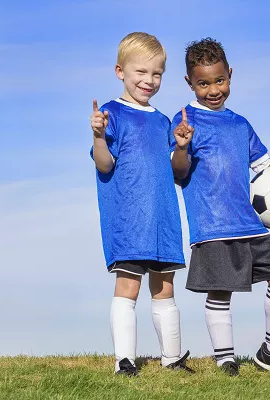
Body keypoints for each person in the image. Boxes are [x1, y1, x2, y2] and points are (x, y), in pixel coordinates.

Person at [170, 38, 270, 376]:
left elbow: (265, 166)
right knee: (221, 292)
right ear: (189, 83)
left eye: (219, 80)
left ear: (230, 75)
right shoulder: (185, 123)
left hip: (249, 223)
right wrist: (181, 146)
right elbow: (179, 173)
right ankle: (225, 360)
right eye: (203, 83)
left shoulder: (240, 124)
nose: (212, 89)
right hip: (213, 225)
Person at [90, 32, 192, 376]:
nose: (149, 81)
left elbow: (179, 173)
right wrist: (99, 136)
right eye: (141, 73)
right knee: (129, 285)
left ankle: (173, 359)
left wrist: (179, 147)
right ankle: (125, 362)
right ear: (120, 71)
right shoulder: (110, 113)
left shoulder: (163, 120)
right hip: (129, 218)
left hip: (163, 217)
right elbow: (104, 164)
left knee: (164, 287)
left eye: (157, 74)